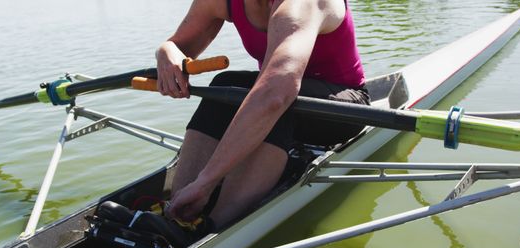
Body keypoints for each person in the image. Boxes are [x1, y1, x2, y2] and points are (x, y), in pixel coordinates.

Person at [157, 0, 369, 230]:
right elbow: (177, 46)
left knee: (282, 103)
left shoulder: (300, 4)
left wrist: (207, 182)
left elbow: (275, 95)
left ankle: (214, 226)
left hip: (344, 107)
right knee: (225, 84)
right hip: (280, 92)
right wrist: (166, 53)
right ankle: (176, 212)